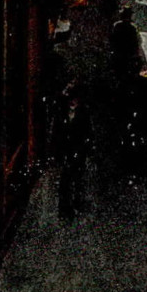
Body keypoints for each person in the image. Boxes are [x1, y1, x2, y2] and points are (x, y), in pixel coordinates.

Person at [56, 81, 92, 219]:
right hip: (66, 151)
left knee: (78, 179)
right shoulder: (61, 114)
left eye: (75, 100)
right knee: (65, 181)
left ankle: (78, 203)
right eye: (71, 100)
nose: (72, 103)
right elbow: (57, 132)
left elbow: (88, 132)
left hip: (79, 151)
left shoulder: (83, 113)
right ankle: (65, 208)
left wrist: (86, 147)